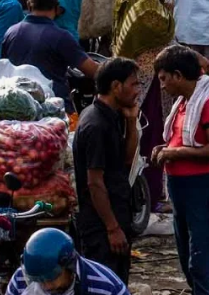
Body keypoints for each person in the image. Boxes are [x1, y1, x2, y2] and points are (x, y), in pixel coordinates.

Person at [73, 57, 141, 280]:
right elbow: (94, 182)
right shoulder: (96, 125)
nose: (137, 90)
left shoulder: (114, 115)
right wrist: (112, 228)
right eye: (133, 84)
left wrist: (131, 122)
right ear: (115, 86)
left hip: (116, 213)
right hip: (101, 226)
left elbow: (127, 161)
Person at [2, 0, 98, 109]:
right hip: (53, 111)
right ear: (57, 8)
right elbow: (93, 71)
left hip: (16, 108)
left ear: (28, 5)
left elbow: (3, 68)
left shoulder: (11, 32)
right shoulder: (61, 37)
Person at [7, 227, 131, 295]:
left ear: (69, 266)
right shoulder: (20, 280)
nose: (46, 286)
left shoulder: (106, 287)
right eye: (39, 281)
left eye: (51, 279)